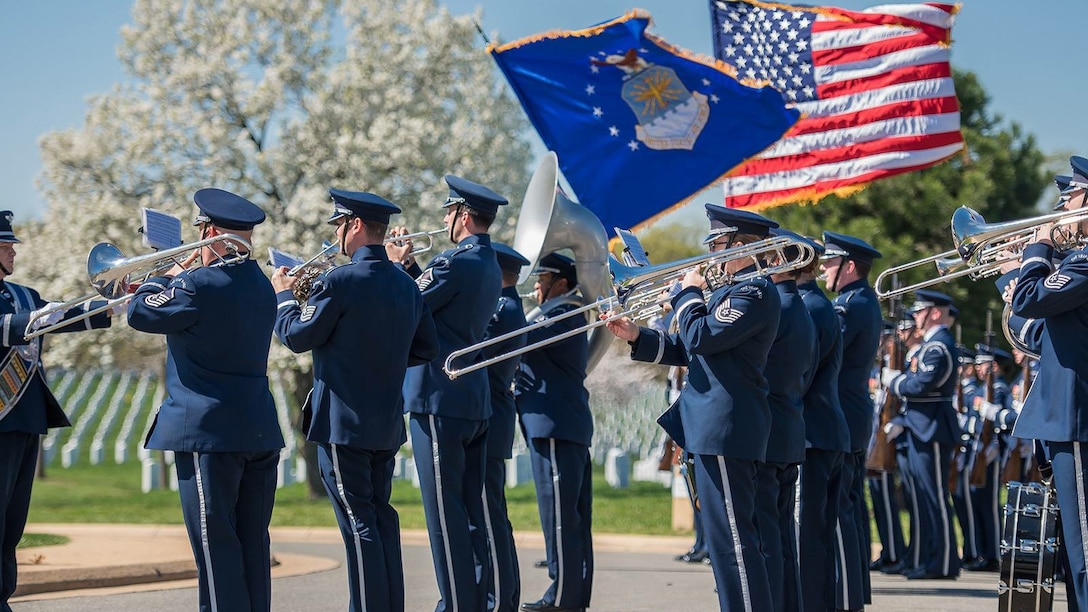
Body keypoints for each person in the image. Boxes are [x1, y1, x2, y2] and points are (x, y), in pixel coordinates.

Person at [606, 204, 782, 612]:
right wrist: (637, 335)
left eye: (718, 244)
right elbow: (689, 349)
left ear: (741, 246)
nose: (711, 254)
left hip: (727, 427)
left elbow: (701, 335)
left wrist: (687, 293)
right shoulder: (731, 292)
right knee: (724, 547)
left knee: (736, 544)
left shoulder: (753, 291)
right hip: (712, 426)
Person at [271, 189, 438, 612]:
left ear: (356, 226)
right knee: (380, 516)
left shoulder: (338, 280)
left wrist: (284, 296)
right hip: (384, 422)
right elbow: (426, 348)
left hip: (342, 423)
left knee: (357, 521)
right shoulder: (406, 285)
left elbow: (294, 336)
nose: (337, 235)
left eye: (339, 226)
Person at [127, 188, 284, 611]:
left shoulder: (196, 286)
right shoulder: (264, 287)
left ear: (209, 232)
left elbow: (140, 312)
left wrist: (161, 271)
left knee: (216, 552)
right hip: (258, 429)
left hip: (207, 435)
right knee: (252, 547)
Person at [386, 175, 506, 612]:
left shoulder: (455, 262)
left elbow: (408, 306)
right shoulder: (486, 262)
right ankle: (475, 599)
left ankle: (456, 604)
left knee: (443, 514)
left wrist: (397, 266)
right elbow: (440, 306)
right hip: (470, 398)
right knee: (471, 511)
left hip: (437, 396)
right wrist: (415, 267)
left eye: (448, 211)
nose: (442, 218)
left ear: (462, 215)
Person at [0, 210, 114, 611]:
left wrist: (115, 298)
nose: (13, 249)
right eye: (5, 244)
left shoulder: (24, 295)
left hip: (24, 420)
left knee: (11, 525)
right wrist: (35, 319)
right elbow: (12, 326)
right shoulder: (21, 308)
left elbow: (64, 316)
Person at [1004, 154, 1088, 606]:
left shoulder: (1085, 263)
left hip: (1075, 421)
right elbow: (1039, 331)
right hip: (1064, 421)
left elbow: (1032, 297)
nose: (1061, 210)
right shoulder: (1077, 261)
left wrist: (1036, 250)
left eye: (1070, 197)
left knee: (1084, 555)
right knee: (1074, 557)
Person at [515, 252, 594, 612]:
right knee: (569, 519)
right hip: (559, 425)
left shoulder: (563, 314)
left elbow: (519, 338)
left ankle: (562, 599)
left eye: (541, 280)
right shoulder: (561, 313)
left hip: (555, 426)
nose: (535, 286)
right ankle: (570, 598)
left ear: (561, 282)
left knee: (560, 519)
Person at [788, 231, 851, 612]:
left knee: (807, 538)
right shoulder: (817, 303)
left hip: (813, 435)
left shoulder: (808, 307)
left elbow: (799, 377)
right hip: (825, 432)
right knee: (817, 537)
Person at [820, 230, 883, 607]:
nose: (825, 267)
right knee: (851, 505)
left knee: (842, 506)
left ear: (850, 266)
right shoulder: (859, 300)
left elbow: (823, 351)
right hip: (852, 409)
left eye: (831, 261)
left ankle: (846, 594)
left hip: (844, 410)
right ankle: (854, 589)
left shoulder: (851, 305)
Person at [881, 289, 961, 580]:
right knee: (926, 498)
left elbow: (921, 386)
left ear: (935, 313)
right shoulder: (931, 346)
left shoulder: (938, 347)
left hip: (933, 427)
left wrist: (895, 381)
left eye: (920, 310)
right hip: (921, 426)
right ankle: (931, 558)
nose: (915, 316)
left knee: (935, 498)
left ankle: (942, 563)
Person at [757, 228, 816, 612]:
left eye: (765, 257)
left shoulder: (777, 307)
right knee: (780, 538)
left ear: (779, 261)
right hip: (789, 430)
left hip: (768, 434)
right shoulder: (802, 308)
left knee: (768, 539)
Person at [481, 243, 530, 612]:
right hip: (494, 417)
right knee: (491, 514)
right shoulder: (502, 305)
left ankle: (500, 600)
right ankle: (501, 597)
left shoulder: (503, 309)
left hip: (492, 418)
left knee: (491, 517)